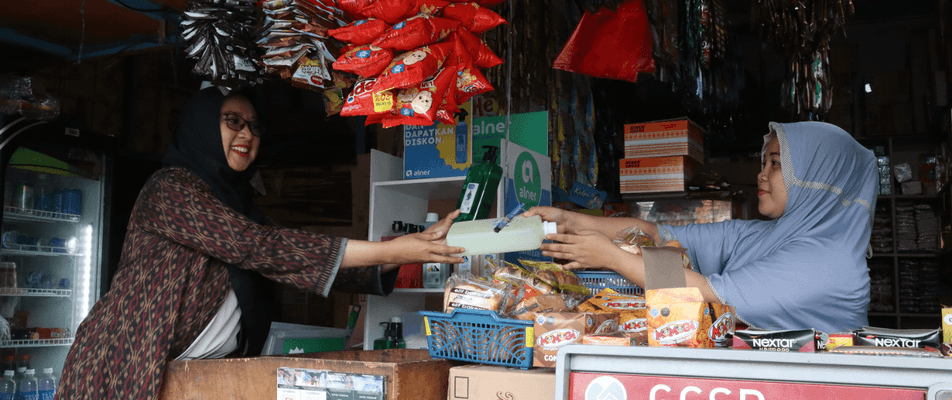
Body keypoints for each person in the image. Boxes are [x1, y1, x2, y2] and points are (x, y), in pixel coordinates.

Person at [56, 86, 464, 399]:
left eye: (254, 126)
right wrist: (395, 249)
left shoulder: (239, 209)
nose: (246, 134)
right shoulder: (169, 189)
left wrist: (401, 255)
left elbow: (290, 259)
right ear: (200, 126)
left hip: (193, 374)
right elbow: (257, 247)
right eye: (232, 120)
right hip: (123, 366)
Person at [524, 121, 877, 333]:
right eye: (764, 161)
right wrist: (570, 220)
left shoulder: (828, 263)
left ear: (819, 178)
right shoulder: (768, 234)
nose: (761, 173)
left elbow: (705, 291)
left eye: (775, 164)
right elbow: (658, 236)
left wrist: (614, 258)